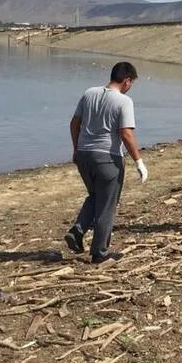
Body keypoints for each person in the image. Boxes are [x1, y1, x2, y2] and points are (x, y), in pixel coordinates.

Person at [65, 61, 147, 263]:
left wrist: (76, 148)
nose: (130, 87)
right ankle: (100, 253)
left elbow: (75, 123)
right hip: (107, 157)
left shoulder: (89, 93)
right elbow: (126, 133)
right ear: (127, 80)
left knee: (95, 196)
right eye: (131, 83)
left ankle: (78, 229)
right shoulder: (123, 101)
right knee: (107, 204)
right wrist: (139, 162)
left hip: (85, 155)